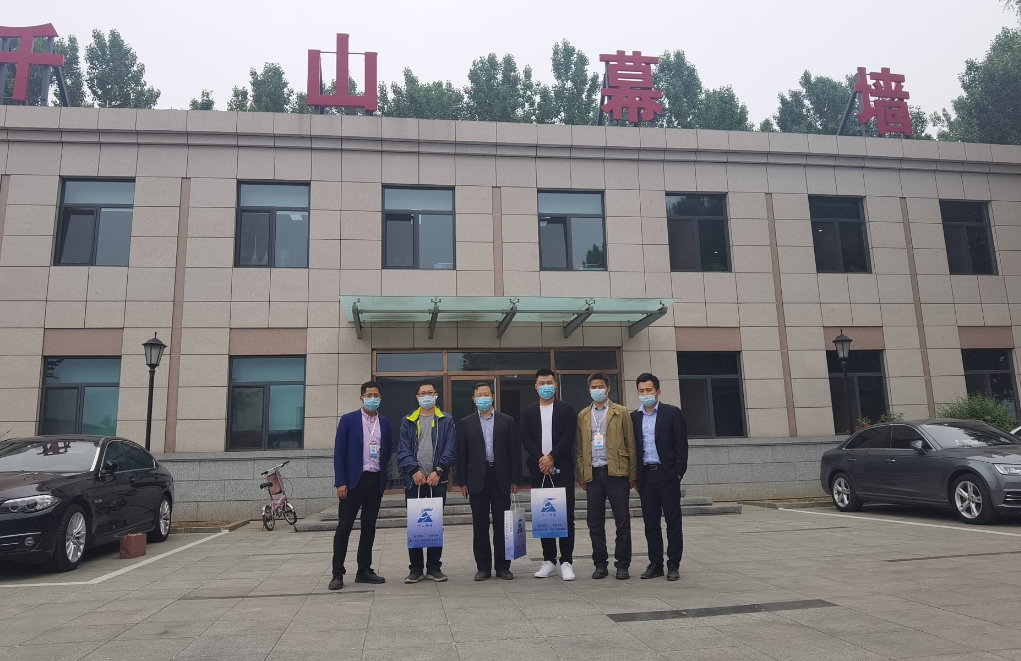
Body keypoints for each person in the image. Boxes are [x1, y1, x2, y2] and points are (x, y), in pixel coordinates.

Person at [456, 382, 522, 581]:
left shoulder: (507, 421)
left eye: (486, 394)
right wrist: (462, 482)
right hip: (476, 478)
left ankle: (503, 567)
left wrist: (515, 479)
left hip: (501, 477)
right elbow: (462, 454)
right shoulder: (466, 423)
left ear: (492, 396)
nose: (483, 398)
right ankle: (483, 567)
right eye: (479, 395)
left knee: (503, 525)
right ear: (473, 399)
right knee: (480, 525)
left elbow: (514, 452)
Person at [330, 381, 392, 590]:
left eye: (376, 395)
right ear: (361, 398)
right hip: (353, 482)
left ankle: (364, 570)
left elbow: (386, 452)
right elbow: (339, 452)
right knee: (344, 528)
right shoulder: (348, 420)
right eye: (369, 395)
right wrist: (341, 482)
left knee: (369, 527)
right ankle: (337, 573)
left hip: (375, 480)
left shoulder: (385, 423)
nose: (372, 398)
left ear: (380, 398)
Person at [575, 372, 637, 580]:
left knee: (622, 522)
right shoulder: (583, 415)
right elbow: (580, 449)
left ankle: (623, 565)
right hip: (594, 473)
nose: (597, 390)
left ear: (608, 388)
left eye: (600, 386)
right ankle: (600, 564)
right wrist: (582, 474)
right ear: (589, 389)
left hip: (617, 473)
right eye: (593, 387)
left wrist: (632, 474)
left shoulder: (621, 412)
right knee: (595, 523)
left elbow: (631, 444)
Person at [519, 368, 578, 581]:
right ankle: (549, 561)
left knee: (566, 516)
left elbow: (569, 436)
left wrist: (552, 457)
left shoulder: (566, 409)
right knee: (544, 516)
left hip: (562, 471)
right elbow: (525, 437)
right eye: (542, 383)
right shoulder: (528, 411)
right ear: (536, 387)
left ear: (555, 385)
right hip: (539, 471)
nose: (546, 386)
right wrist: (542, 460)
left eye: (549, 383)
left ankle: (566, 561)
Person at [396, 379, 456, 583]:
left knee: (435, 524)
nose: (427, 396)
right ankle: (415, 569)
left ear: (436, 395)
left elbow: (450, 448)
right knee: (415, 525)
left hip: (436, 480)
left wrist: (439, 471)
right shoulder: (408, 420)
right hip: (415, 481)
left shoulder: (446, 420)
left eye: (430, 392)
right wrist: (414, 470)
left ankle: (434, 567)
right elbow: (403, 449)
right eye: (423, 393)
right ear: (417, 397)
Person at [631, 373, 688, 582]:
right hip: (646, 476)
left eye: (649, 390)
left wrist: (677, 472)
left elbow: (681, 446)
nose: (645, 394)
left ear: (658, 392)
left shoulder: (672, 413)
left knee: (673, 521)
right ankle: (655, 564)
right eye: (641, 391)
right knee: (651, 523)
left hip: (667, 475)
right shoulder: (634, 417)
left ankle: (673, 564)